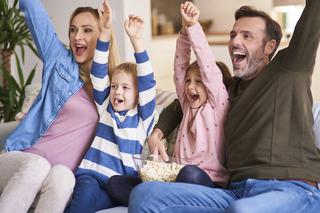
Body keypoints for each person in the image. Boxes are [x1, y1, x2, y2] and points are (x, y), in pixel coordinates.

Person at [129, 0, 320, 212]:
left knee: (241, 211)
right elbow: (183, 101)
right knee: (144, 195)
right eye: (233, 35)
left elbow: (313, 15)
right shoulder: (230, 90)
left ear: (269, 47)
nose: (235, 41)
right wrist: (159, 131)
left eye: (246, 36)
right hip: (234, 192)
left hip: (289, 188)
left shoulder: (289, 70)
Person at [105, 2, 231, 206]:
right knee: (115, 183)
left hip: (206, 183)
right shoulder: (187, 106)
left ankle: (157, 197)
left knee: (189, 173)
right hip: (173, 179)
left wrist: (193, 27)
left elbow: (208, 66)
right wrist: (183, 31)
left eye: (199, 82)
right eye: (188, 81)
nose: (190, 87)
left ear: (210, 85)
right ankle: (160, 198)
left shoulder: (217, 106)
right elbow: (180, 66)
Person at [0, 0, 119, 212]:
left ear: (103, 35)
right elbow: (36, 16)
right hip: (20, 162)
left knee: (64, 176)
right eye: (73, 30)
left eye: (87, 30)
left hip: (54, 177)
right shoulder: (60, 61)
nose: (77, 37)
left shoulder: (114, 90)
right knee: (37, 165)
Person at [65, 2, 156, 212]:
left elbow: (147, 81)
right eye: (114, 86)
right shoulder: (106, 106)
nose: (117, 92)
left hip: (117, 186)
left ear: (138, 94)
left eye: (125, 87)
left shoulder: (144, 118)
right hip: (92, 175)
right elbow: (98, 72)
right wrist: (105, 31)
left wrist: (136, 40)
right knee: (82, 202)